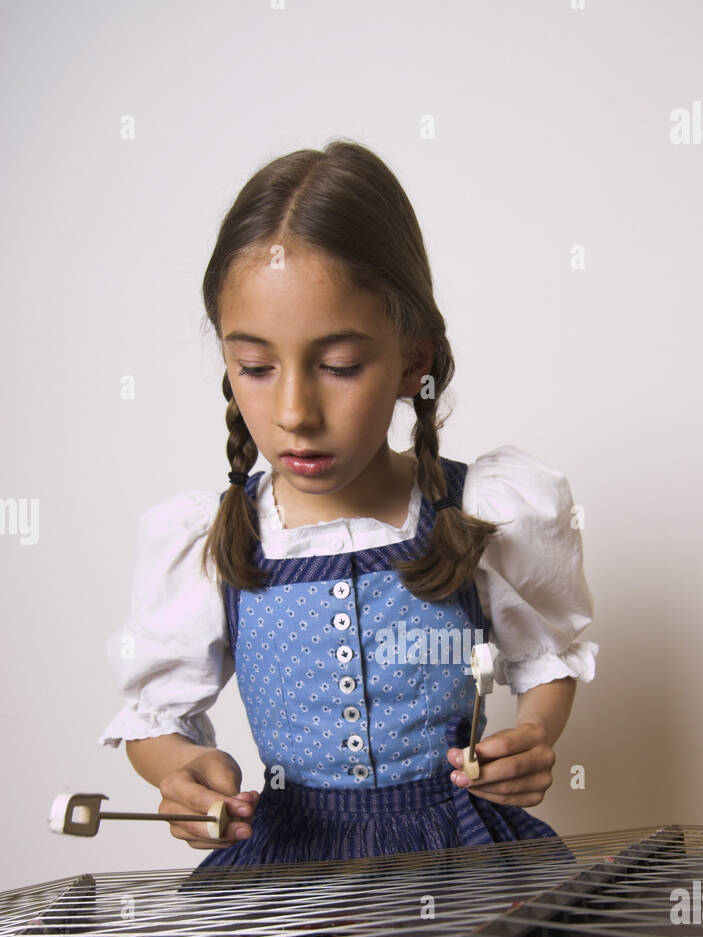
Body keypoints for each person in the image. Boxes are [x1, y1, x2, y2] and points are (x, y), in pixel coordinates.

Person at [97, 139, 598, 870]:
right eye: (256, 367)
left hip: (457, 855)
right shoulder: (208, 540)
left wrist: (534, 736)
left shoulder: (486, 512)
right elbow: (156, 719)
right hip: (287, 872)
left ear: (413, 360)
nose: (295, 410)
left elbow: (546, 659)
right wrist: (177, 774)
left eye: (339, 366)